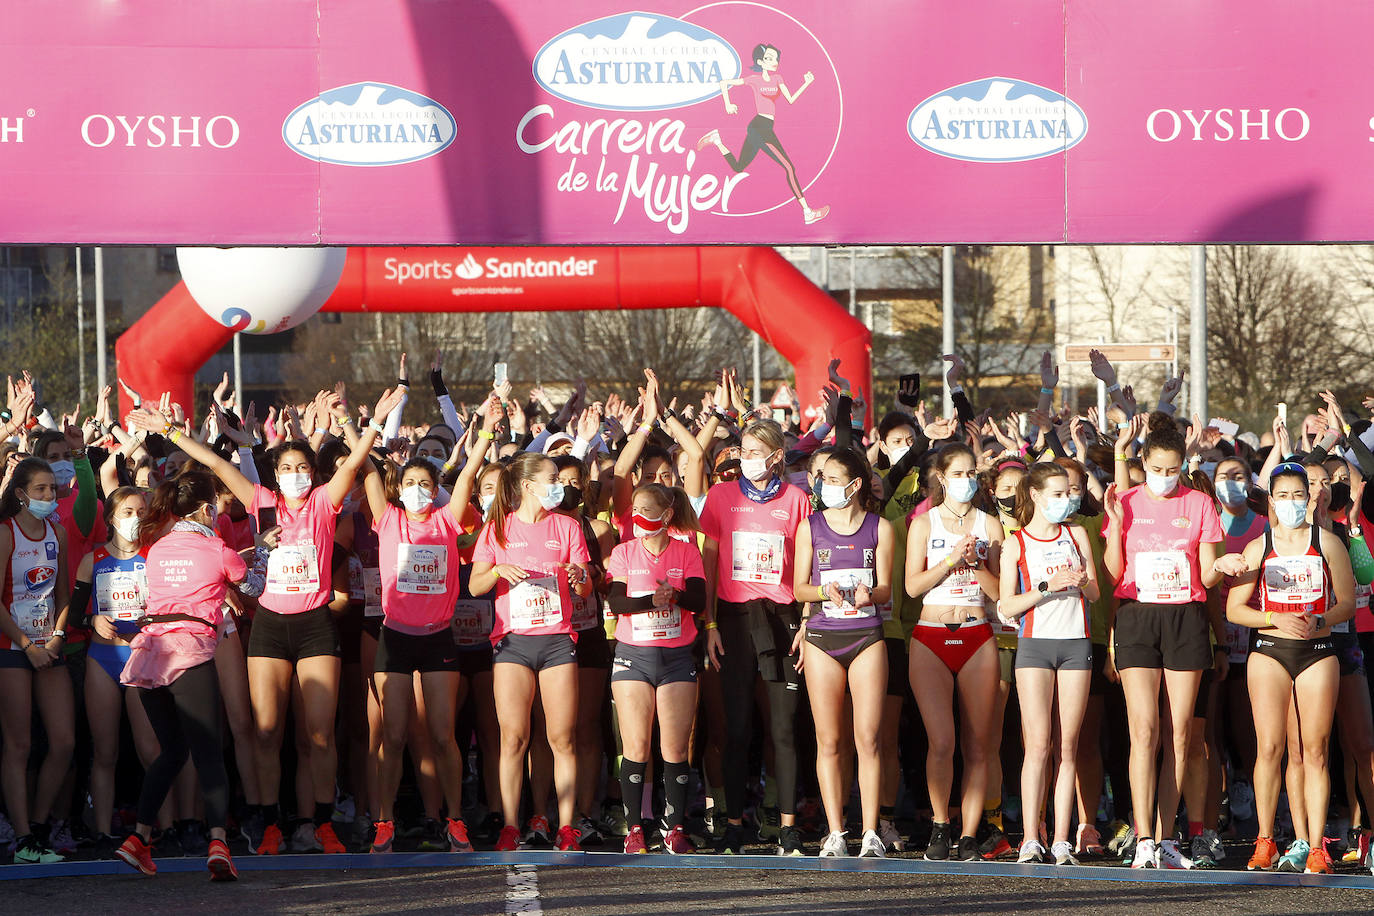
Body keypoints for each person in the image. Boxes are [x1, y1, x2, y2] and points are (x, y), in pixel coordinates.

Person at [128, 386, 403, 856]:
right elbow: (217, 466)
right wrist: (171, 430)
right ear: (275, 474)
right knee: (267, 731)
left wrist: (373, 424)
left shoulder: (320, 503)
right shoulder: (262, 501)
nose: (295, 476)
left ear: (313, 475)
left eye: (302, 469)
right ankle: (270, 821)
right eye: (287, 469)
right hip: (271, 627)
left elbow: (354, 465)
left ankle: (320, 822)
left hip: (316, 625)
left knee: (318, 733)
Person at [114, 471, 268, 881]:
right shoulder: (217, 547)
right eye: (215, 505)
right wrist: (266, 551)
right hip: (189, 654)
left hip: (150, 657)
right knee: (209, 752)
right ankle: (219, 843)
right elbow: (253, 588)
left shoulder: (159, 548)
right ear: (205, 509)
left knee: (172, 751)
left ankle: (138, 838)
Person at [362, 395, 498, 854]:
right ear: (399, 487)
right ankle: (383, 822)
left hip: (439, 639)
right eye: (411, 482)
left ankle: (455, 820)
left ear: (435, 486)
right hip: (395, 639)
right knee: (393, 736)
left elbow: (469, 475)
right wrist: (364, 424)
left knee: (443, 736)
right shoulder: (387, 520)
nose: (418, 488)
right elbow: (363, 470)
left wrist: (484, 434)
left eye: (426, 482)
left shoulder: (446, 520)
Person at [1103, 412, 1235, 870]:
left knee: (1181, 735)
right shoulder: (1127, 500)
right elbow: (1115, 573)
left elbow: (1207, 572)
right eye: (1156, 469)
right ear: (1144, 462)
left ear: (1183, 465)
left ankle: (1165, 837)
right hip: (1138, 618)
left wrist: (1231, 565)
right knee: (1144, 731)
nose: (1163, 477)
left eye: (1171, 470)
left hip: (1186, 617)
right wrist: (1117, 523)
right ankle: (1142, 837)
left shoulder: (1199, 504)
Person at [1227, 462, 1355, 874]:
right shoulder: (1258, 547)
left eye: (1298, 495)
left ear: (1310, 497)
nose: (1292, 504)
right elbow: (1235, 608)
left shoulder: (1327, 542)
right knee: (1270, 748)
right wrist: (1272, 619)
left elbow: (1348, 602)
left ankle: (1317, 847)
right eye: (1283, 496)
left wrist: (1322, 619)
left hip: (1317, 649)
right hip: (1270, 650)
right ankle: (1265, 839)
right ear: (1271, 502)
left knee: (1315, 751)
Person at [699, 419, 811, 856]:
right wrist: (708, 623)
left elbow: (808, 568)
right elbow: (708, 565)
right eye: (743, 451)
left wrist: (804, 622)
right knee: (736, 727)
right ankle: (732, 824)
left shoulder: (797, 500)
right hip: (733, 619)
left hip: (781, 619)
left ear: (776, 456)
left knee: (782, 727)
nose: (746, 460)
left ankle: (786, 827)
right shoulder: (721, 496)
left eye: (754, 451)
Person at [470, 451, 592, 853]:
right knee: (514, 739)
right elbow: (474, 587)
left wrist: (578, 577)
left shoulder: (567, 526)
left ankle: (568, 827)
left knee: (562, 738)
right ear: (528, 486)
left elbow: (586, 587)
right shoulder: (498, 528)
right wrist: (497, 571)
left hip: (557, 641)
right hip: (512, 643)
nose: (559, 484)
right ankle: (509, 824)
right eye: (552, 477)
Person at [791, 447, 892, 858]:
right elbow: (797, 588)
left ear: (854, 485)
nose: (823, 486)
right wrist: (821, 592)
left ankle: (870, 831)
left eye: (832, 480)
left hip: (866, 635)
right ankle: (836, 831)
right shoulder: (810, 527)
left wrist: (871, 594)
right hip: (822, 637)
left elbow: (889, 589)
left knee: (867, 739)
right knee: (829, 739)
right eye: (822, 479)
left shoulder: (879, 527)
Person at [905, 442, 1003, 862]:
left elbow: (1001, 593)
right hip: (930, 633)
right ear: (942, 478)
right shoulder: (923, 524)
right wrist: (950, 561)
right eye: (958, 474)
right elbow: (911, 587)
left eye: (972, 474)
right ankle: (940, 825)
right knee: (941, 740)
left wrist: (977, 564)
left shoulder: (990, 524)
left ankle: (968, 832)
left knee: (978, 744)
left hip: (977, 632)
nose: (966, 481)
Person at [998, 463, 1099, 866]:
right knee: (1038, 745)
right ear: (1036, 496)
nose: (1065, 501)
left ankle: (1061, 838)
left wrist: (1079, 581)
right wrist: (1045, 588)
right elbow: (1006, 607)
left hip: (1076, 644)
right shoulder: (1015, 543)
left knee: (1068, 746)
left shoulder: (1076, 533)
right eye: (1057, 494)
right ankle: (1029, 837)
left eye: (1068, 494)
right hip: (1035, 646)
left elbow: (1093, 591)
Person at [605, 483, 706, 855]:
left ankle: (674, 827)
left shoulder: (686, 551)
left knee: (676, 748)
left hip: (677, 658)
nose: (639, 518)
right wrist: (652, 599)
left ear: (666, 516)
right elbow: (616, 600)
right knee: (636, 745)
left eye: (648, 511)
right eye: (636, 510)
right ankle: (634, 828)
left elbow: (698, 599)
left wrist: (675, 596)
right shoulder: (623, 552)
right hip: (634, 655)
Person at [74, 487, 171, 855]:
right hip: (103, 658)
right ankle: (102, 831)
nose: (136, 517)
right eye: (128, 511)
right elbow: (78, 614)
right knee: (105, 751)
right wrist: (92, 619)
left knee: (152, 749)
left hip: (143, 658)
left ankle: (164, 825)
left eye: (142, 510)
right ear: (112, 517)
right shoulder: (92, 559)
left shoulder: (154, 555)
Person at [0, 457, 74, 863]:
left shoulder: (57, 533)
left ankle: (40, 826)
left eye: (52, 489)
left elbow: (62, 595)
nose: (49, 496)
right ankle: (23, 838)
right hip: (11, 648)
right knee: (19, 744)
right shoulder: (5, 534)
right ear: (21, 494)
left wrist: (57, 637)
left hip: (50, 647)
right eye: (41, 490)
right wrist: (27, 645)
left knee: (63, 742)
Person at [697, 42, 829, 225]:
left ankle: (717, 140)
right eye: (769, 58)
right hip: (759, 127)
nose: (773, 61)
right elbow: (724, 82)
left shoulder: (778, 79)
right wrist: (728, 104)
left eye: (775, 58)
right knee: (789, 168)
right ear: (760, 61)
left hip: (763, 127)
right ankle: (807, 212)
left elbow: (790, 99)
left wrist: (806, 83)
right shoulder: (754, 79)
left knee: (738, 167)